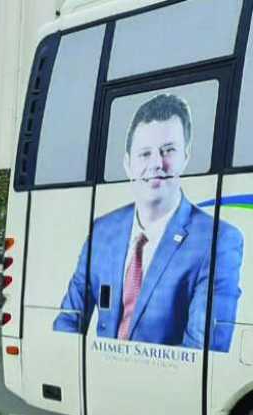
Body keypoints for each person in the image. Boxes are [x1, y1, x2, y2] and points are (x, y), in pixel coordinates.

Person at [54, 93, 243, 352]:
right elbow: (68, 320)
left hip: (161, 388)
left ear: (186, 157)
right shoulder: (103, 231)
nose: (156, 163)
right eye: (144, 154)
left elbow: (202, 351)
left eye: (168, 150)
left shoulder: (218, 241)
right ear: (127, 164)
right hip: (99, 380)